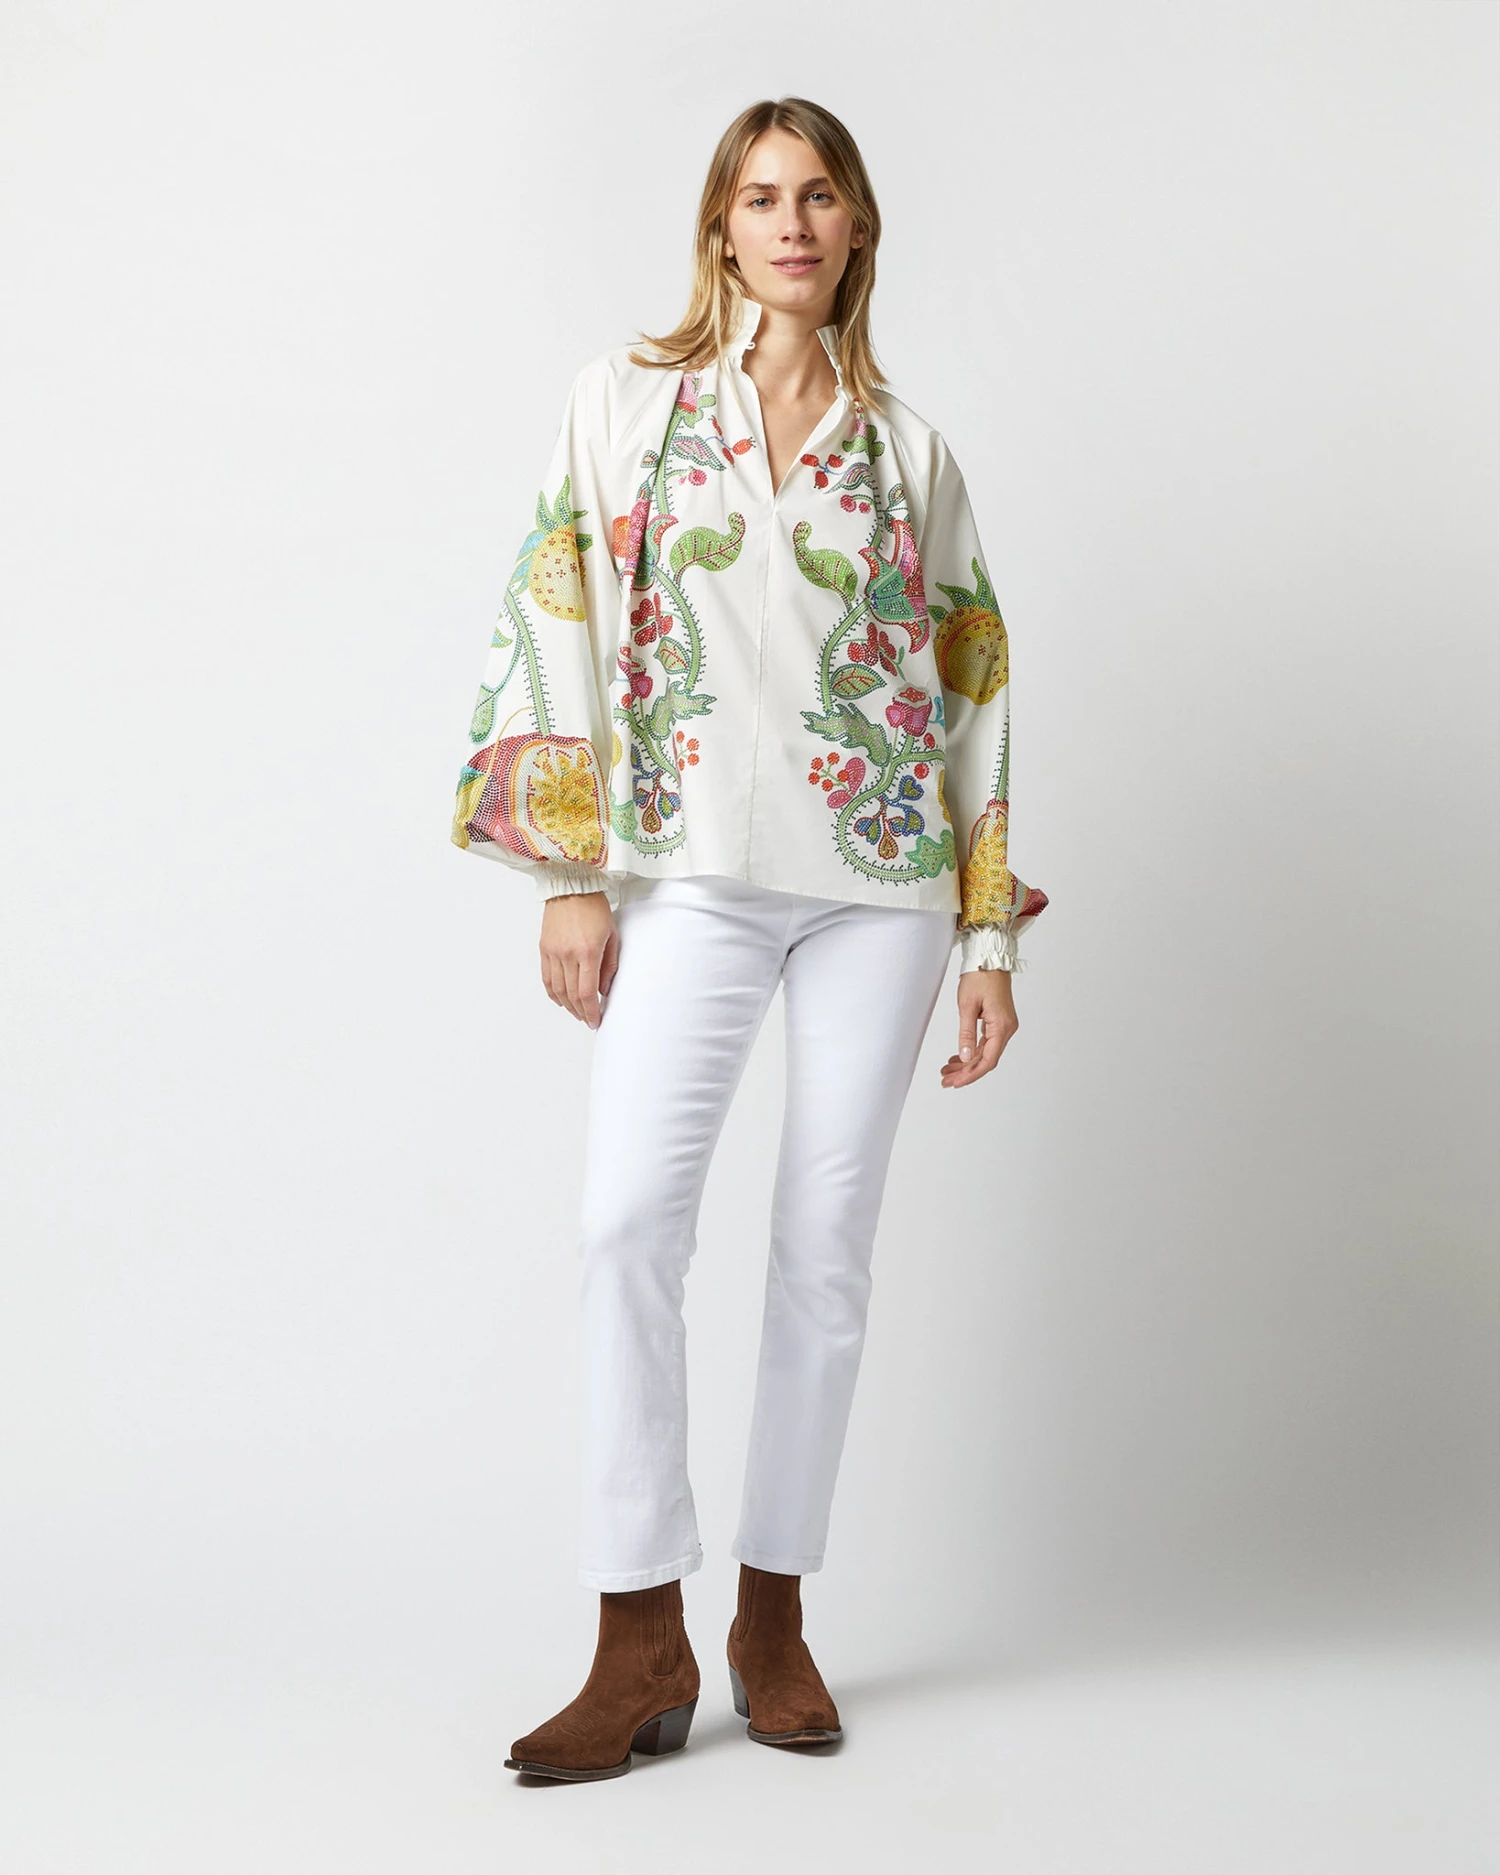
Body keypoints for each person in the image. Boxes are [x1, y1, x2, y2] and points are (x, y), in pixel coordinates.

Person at [451, 97, 1049, 1782]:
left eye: (820, 196)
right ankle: (636, 1629)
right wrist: (570, 870)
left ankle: (772, 1617)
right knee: (627, 1222)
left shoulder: (910, 454)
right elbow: (554, 609)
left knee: (824, 1246)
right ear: (721, 227)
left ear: (858, 230)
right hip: (690, 871)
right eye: (762, 196)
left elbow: (974, 685)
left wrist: (988, 939)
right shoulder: (627, 406)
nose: (792, 223)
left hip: (883, 883)